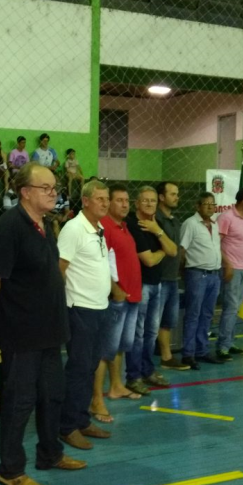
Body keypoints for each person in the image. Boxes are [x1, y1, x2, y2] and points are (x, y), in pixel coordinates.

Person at [0, 162, 86, 485]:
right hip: (22, 333)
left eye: (55, 187)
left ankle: (50, 453)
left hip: (49, 330)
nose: (54, 193)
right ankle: (10, 471)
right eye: (46, 188)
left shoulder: (43, 223)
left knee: (52, 395)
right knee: (19, 401)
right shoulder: (11, 227)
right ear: (25, 192)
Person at [57, 180, 112, 450]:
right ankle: (66, 426)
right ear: (86, 201)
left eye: (107, 198)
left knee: (89, 367)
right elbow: (60, 269)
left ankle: (81, 419)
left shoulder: (99, 228)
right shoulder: (73, 229)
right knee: (78, 369)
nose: (105, 203)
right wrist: (61, 305)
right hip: (79, 309)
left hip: (99, 308)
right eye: (100, 198)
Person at [91, 183, 143, 421]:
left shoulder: (123, 227)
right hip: (117, 299)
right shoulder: (105, 228)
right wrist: (116, 290)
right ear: (108, 203)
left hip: (131, 297)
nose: (124, 204)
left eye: (127, 201)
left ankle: (116, 386)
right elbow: (102, 264)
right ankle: (96, 399)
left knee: (120, 347)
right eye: (119, 200)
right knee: (104, 350)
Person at [125, 186, 177, 394]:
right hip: (141, 285)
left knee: (151, 332)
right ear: (136, 203)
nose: (149, 204)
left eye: (153, 201)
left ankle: (148, 371)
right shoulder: (132, 225)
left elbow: (173, 250)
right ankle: (134, 376)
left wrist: (158, 232)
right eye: (144, 200)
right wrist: (163, 249)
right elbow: (148, 259)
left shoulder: (158, 225)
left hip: (158, 284)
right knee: (137, 334)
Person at [180, 192, 224, 369]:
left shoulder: (214, 225)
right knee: (193, 314)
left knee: (207, 315)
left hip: (214, 275)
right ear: (197, 206)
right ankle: (188, 354)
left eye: (212, 204)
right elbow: (182, 250)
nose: (209, 207)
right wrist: (186, 273)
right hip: (197, 274)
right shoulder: (190, 224)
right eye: (205, 204)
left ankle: (202, 350)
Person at [215, 187, 243, 360]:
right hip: (231, 269)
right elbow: (216, 244)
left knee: (235, 307)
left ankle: (229, 341)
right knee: (231, 307)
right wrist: (227, 264)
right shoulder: (226, 217)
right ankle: (223, 346)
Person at [155, 182, 189, 371]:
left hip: (172, 278)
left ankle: (166, 357)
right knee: (151, 323)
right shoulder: (155, 220)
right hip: (158, 278)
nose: (177, 197)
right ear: (161, 197)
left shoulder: (175, 221)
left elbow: (177, 250)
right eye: (173, 194)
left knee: (168, 320)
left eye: (177, 194)